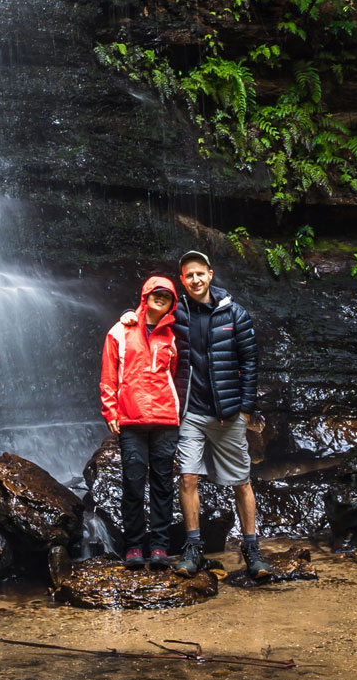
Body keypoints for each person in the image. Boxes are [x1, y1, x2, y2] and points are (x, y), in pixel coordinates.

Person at [171, 249, 272, 581]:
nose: (195, 280)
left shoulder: (235, 314)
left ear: (210, 275)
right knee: (188, 477)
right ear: (182, 279)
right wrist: (130, 313)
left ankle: (251, 550)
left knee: (241, 482)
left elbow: (250, 363)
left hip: (228, 415)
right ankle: (194, 549)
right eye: (189, 275)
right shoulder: (177, 314)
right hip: (191, 413)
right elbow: (147, 316)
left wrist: (243, 411)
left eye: (200, 273)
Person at [99, 275, 182, 569]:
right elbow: (109, 375)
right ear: (145, 296)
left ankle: (159, 545)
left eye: (167, 295)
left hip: (165, 418)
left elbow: (171, 372)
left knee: (162, 484)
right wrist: (110, 411)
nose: (161, 298)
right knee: (133, 482)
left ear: (173, 302)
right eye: (156, 293)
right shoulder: (120, 330)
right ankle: (134, 545)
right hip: (131, 418)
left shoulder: (172, 334)